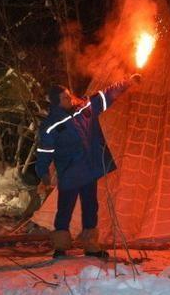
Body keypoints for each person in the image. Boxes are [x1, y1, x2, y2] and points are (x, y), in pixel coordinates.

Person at [35, 74, 141, 259]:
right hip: (69, 174)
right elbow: (44, 152)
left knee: (91, 208)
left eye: (69, 95)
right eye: (64, 97)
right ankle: (61, 247)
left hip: (89, 171)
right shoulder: (51, 126)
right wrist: (42, 172)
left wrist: (128, 82)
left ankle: (91, 246)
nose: (69, 98)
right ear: (56, 102)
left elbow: (107, 94)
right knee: (64, 210)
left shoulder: (85, 108)